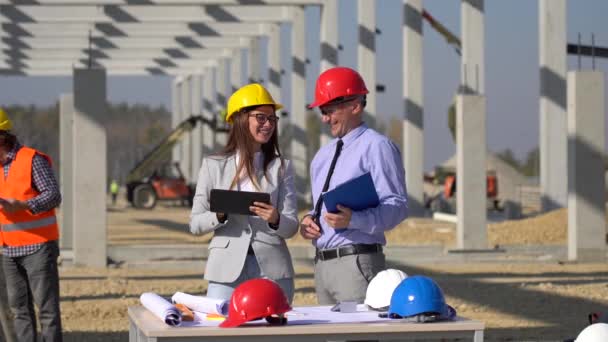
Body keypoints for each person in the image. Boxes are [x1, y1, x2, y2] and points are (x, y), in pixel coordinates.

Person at [300, 67, 409, 305]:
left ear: (355, 105)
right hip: (322, 267)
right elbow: (319, 207)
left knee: (355, 335)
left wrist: (354, 219)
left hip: (355, 267)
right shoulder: (322, 156)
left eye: (329, 110)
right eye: (322, 111)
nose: (325, 118)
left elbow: (397, 206)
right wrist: (309, 221)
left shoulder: (377, 147)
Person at [190, 83, 298, 303]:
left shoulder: (282, 168)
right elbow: (195, 224)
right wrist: (219, 215)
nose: (268, 124)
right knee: (223, 333)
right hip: (225, 269)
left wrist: (276, 219)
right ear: (240, 119)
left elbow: (292, 227)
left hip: (273, 269)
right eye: (261, 117)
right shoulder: (213, 166)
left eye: (272, 119)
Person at [0, 108, 63, 342]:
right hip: (7, 250)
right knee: (19, 311)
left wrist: (24, 205)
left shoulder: (31, 159)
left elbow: (54, 196)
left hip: (38, 247)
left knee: (47, 311)